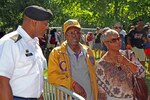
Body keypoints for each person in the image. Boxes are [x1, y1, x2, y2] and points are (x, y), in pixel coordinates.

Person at [0, 5, 53, 100]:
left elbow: (35, 79)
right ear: (34, 22)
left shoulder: (35, 44)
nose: (47, 28)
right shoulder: (11, 42)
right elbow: (2, 81)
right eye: (45, 24)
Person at [47, 19, 98, 100]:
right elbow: (52, 76)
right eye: (71, 32)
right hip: (68, 97)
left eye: (77, 32)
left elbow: (95, 74)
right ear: (65, 35)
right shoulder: (56, 53)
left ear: (80, 34)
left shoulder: (88, 51)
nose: (74, 35)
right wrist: (73, 84)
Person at [96, 29, 146, 100]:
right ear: (106, 43)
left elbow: (142, 73)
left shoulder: (128, 55)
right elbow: (101, 91)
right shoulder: (101, 65)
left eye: (118, 38)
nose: (118, 42)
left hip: (132, 97)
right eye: (113, 40)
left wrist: (127, 63)